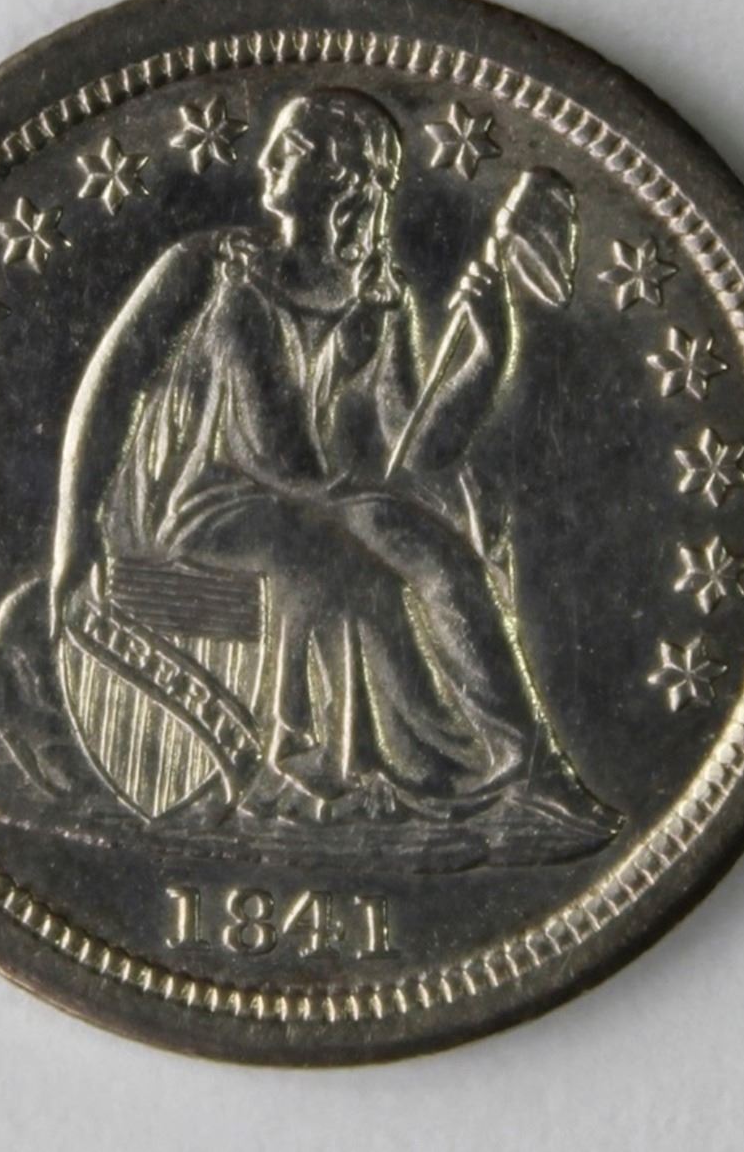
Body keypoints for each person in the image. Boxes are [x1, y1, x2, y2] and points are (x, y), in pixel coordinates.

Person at [44, 88, 620, 839]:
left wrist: (486, 350)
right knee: (334, 557)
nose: (267, 160)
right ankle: (363, 771)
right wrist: (73, 536)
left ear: (341, 176)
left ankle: (523, 774)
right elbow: (109, 387)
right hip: (200, 505)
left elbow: (418, 453)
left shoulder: (376, 296)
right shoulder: (210, 267)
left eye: (291, 149)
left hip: (315, 494)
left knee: (442, 557)